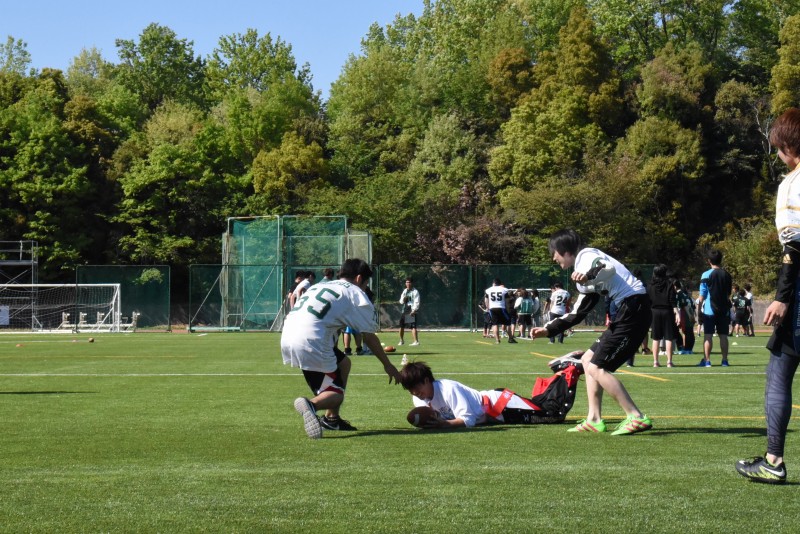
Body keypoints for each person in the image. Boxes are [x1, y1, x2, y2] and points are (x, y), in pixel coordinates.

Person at [531, 229, 653, 435]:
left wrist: (587, 276)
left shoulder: (586, 256)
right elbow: (578, 312)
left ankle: (636, 416)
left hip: (634, 307)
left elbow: (607, 269)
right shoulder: (582, 273)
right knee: (587, 360)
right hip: (628, 309)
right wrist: (548, 329)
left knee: (597, 367)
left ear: (564, 250)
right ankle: (594, 419)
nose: (554, 258)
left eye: (554, 253)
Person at [736, 107, 800, 484]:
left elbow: (795, 245)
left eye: (778, 147)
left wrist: (782, 296)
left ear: (789, 145)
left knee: (779, 370)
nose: (777, 154)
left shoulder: (793, 183)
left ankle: (773, 461)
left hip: (799, 293)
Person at [281, 258, 401, 439]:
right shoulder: (355, 293)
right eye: (365, 283)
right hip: (312, 341)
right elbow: (368, 336)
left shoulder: (319, 286)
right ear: (359, 278)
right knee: (336, 395)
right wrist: (388, 365)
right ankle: (312, 405)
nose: (365, 287)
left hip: (289, 335)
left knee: (344, 363)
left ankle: (332, 419)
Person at [398, 356, 583, 428]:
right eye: (410, 390)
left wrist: (443, 424)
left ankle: (568, 369)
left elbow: (468, 420)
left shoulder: (448, 389)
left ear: (426, 380)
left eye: (416, 387)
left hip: (499, 405)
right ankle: (559, 372)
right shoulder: (419, 399)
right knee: (540, 405)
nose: (414, 393)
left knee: (553, 414)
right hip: (494, 414)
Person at [696, 249, 733, 367]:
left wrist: (698, 312)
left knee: (708, 335)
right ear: (721, 260)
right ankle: (724, 361)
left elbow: (702, 296)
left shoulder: (706, 275)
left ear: (709, 261)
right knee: (723, 336)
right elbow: (728, 294)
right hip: (724, 310)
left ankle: (707, 361)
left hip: (709, 310)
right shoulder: (727, 275)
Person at [648, 265, 681, 367]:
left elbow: (648, 300)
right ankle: (669, 361)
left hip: (654, 311)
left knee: (656, 338)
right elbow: (672, 300)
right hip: (667, 311)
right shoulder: (669, 284)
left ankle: (655, 362)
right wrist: (677, 313)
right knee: (669, 337)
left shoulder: (650, 285)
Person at [484, 278, 517, 343]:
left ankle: (497, 340)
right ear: (500, 283)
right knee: (508, 323)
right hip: (501, 308)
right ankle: (510, 338)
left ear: (494, 283)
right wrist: (507, 308)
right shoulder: (504, 289)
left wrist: (487, 307)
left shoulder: (488, 290)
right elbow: (507, 300)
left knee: (495, 324)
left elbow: (486, 300)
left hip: (492, 308)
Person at [674, 279, 696, 354]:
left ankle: (685, 348)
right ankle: (688, 349)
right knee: (689, 331)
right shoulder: (686, 295)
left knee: (685, 331)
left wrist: (690, 315)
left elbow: (685, 305)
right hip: (688, 313)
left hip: (684, 313)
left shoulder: (679, 293)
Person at [398, 277, 421, 346]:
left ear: (412, 283)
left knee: (412, 326)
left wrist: (414, 310)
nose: (408, 284)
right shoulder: (405, 291)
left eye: (409, 282)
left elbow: (417, 302)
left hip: (411, 309)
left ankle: (416, 341)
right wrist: (403, 300)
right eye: (407, 282)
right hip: (405, 309)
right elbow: (401, 301)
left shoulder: (415, 291)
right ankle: (401, 340)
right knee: (401, 326)